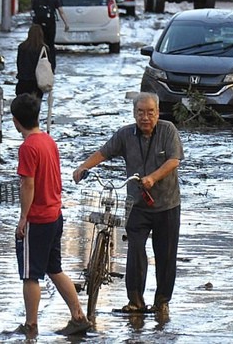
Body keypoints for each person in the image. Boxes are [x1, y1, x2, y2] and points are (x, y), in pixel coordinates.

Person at [72, 92, 184, 320]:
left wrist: (152, 177)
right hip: (137, 204)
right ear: (134, 114)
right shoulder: (125, 135)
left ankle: (162, 302)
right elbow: (104, 152)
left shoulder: (168, 130)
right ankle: (135, 301)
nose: (145, 117)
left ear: (157, 113)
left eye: (150, 112)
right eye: (140, 112)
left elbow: (174, 160)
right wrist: (82, 167)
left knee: (165, 255)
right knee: (135, 249)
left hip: (166, 205)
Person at [10, 93, 92, 338]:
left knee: (30, 275)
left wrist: (23, 218)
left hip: (38, 219)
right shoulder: (47, 140)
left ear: (15, 122)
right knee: (54, 269)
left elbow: (28, 185)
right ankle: (78, 316)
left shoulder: (28, 147)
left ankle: (31, 325)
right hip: (55, 215)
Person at [31, 0, 69, 72]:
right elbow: (61, 12)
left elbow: (32, 13)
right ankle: (51, 67)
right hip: (50, 25)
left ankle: (37, 65)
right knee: (50, 45)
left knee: (38, 45)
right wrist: (66, 24)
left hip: (38, 26)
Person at [16, 24, 47, 98]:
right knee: (34, 106)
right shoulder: (43, 49)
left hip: (22, 82)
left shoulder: (22, 47)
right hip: (37, 83)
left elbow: (19, 63)